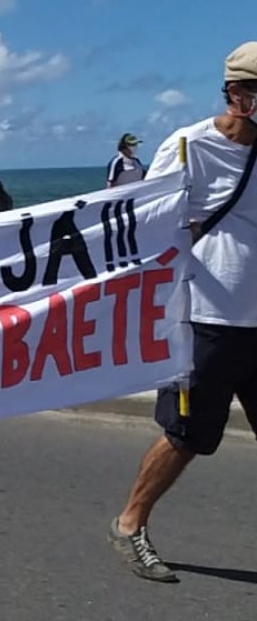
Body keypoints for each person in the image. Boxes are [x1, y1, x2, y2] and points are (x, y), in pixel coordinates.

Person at [108, 41, 257, 583]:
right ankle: (130, 523)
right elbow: (140, 224)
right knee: (188, 436)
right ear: (238, 94)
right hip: (206, 321)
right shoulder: (190, 147)